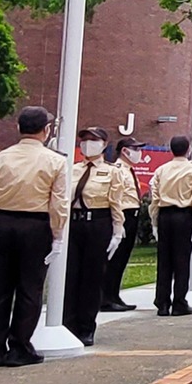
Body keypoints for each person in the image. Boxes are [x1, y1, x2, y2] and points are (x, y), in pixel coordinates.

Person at [0, 106, 69, 367]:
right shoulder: (55, 161)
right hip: (35, 225)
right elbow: (58, 203)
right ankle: (20, 345)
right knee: (30, 288)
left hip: (2, 222)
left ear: (18, 128)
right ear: (46, 130)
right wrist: (58, 235)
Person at [64, 127, 129, 345]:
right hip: (74, 223)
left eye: (93, 140)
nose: (87, 144)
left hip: (98, 223)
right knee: (70, 275)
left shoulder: (112, 171)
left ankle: (86, 327)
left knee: (91, 277)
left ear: (104, 144)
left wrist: (117, 230)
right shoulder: (72, 169)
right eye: (84, 140)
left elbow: (116, 203)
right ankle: (68, 324)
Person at [148, 135, 192, 316]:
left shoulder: (161, 170)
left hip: (165, 215)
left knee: (164, 260)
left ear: (171, 149)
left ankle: (162, 302)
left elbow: (155, 198)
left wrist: (155, 220)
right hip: (184, 215)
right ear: (188, 150)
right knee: (182, 260)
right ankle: (179, 302)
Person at [100, 138, 146, 312]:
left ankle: (114, 295)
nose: (139, 153)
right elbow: (116, 199)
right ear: (125, 151)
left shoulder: (129, 170)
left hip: (132, 215)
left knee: (122, 260)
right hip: (123, 215)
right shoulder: (118, 170)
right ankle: (106, 298)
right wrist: (118, 223)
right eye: (136, 149)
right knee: (115, 260)